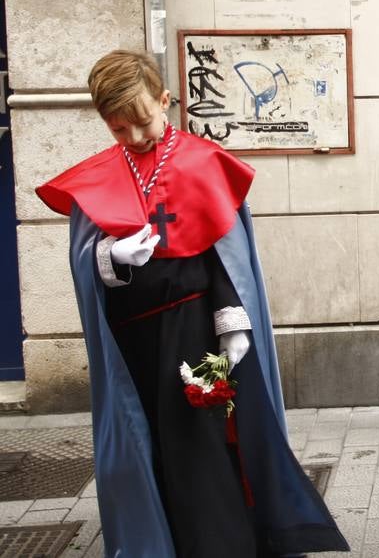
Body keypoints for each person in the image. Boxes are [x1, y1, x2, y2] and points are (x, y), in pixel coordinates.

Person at [35, 50, 347, 557]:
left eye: (142, 122)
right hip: (132, 345)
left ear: (164, 101)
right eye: (119, 130)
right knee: (147, 448)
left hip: (194, 335)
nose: (135, 138)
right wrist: (110, 254)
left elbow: (225, 254)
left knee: (202, 446)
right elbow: (85, 265)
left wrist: (232, 324)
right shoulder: (98, 178)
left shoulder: (203, 163)